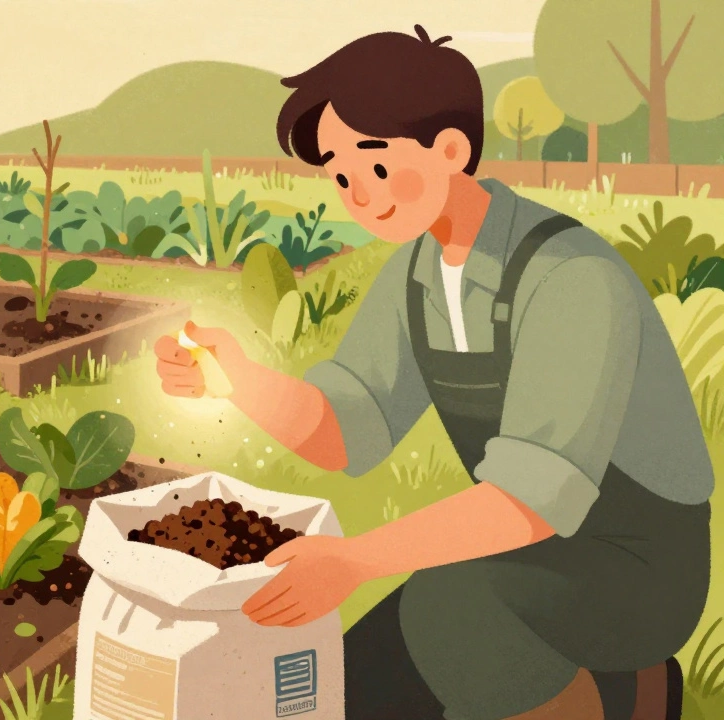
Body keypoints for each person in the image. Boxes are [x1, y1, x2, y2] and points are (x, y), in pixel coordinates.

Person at [155, 25, 713, 720]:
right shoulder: (415, 272)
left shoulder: (571, 278)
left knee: (452, 606)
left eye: (378, 166)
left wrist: (355, 559)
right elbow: (348, 430)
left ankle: (625, 692)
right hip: (520, 552)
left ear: (451, 150)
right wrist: (237, 380)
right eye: (340, 174)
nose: (362, 194)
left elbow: (533, 499)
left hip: (635, 565)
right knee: (357, 681)